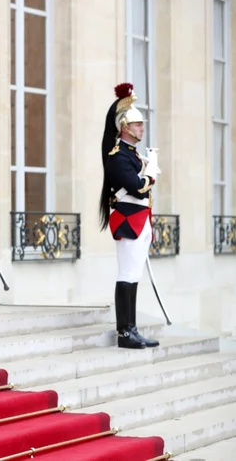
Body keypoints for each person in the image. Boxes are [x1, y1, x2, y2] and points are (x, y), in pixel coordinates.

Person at [99, 82, 161, 350]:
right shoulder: (118, 156)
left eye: (141, 125)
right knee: (127, 274)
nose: (142, 128)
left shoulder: (133, 156)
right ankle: (125, 332)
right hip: (128, 221)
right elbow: (137, 188)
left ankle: (132, 328)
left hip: (140, 220)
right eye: (137, 125)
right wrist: (151, 173)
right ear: (124, 127)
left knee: (134, 275)